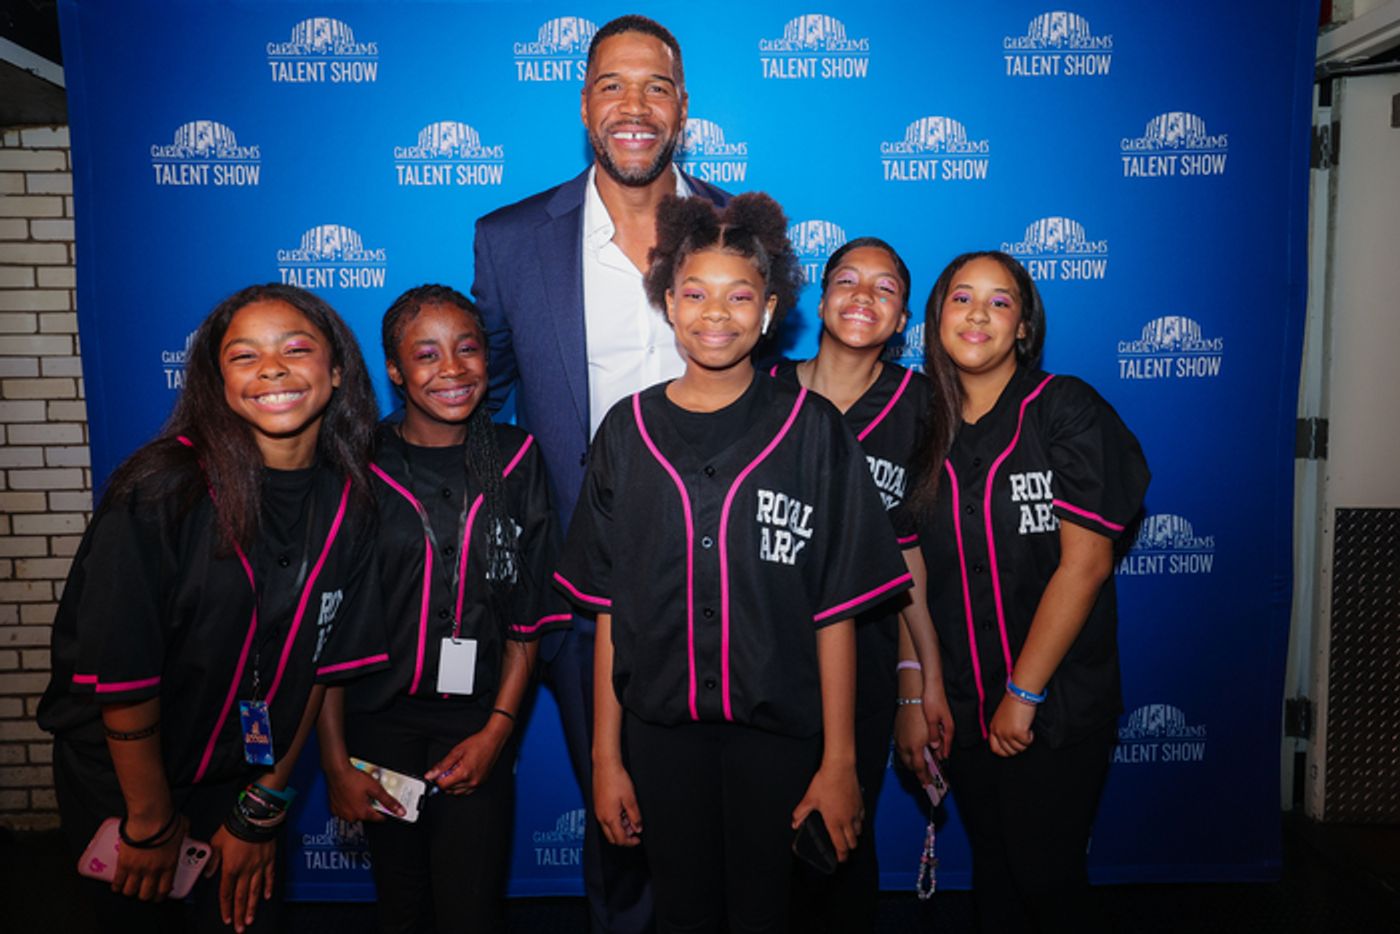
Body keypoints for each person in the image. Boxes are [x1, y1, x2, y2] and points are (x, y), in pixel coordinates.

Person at [554, 193, 914, 933]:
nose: (715, 313)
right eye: (694, 293)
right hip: (660, 740)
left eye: (738, 295)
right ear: (668, 304)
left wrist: (841, 761)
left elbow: (837, 610)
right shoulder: (626, 431)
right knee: (681, 914)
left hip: (779, 741)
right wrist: (605, 757)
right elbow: (608, 610)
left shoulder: (814, 431)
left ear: (771, 307)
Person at [471, 14, 727, 933]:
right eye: (612, 85)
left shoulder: (739, 226)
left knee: (725, 828)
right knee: (620, 826)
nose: (634, 106)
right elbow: (487, 398)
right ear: (584, 105)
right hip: (584, 587)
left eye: (655, 86)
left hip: (727, 583)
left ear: (683, 110)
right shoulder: (508, 240)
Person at [37, 283, 387, 933]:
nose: (272, 368)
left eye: (297, 348)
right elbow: (122, 675)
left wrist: (264, 805)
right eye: (244, 356)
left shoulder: (353, 502)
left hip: (244, 772)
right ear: (217, 382)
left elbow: (319, 666)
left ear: (337, 371)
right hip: (128, 776)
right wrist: (149, 820)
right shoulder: (160, 488)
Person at [900, 251, 1150, 933]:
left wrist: (1025, 693)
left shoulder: (1063, 408)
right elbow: (908, 568)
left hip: (1057, 704)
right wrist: (918, 687)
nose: (978, 313)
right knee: (997, 880)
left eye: (1000, 301)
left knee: (1047, 878)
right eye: (961, 298)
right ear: (936, 318)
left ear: (1023, 328)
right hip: (966, 706)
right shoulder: (922, 428)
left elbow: (1087, 564)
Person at [316, 285, 569, 934]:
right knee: (401, 906)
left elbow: (526, 616)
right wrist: (336, 762)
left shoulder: (515, 458)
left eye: (467, 349)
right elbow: (328, 627)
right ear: (395, 371)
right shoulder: (357, 462)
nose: (452, 369)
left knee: (470, 908)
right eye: (426, 354)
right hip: (379, 724)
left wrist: (497, 732)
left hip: (476, 725)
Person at [768, 237, 954, 932]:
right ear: (820, 300)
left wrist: (917, 684)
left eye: (885, 289)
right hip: (763, 659)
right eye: (847, 280)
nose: (863, 297)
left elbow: (911, 556)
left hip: (869, 662)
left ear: (903, 320)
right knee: (761, 855)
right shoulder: (762, 388)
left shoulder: (923, 407)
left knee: (838, 849)